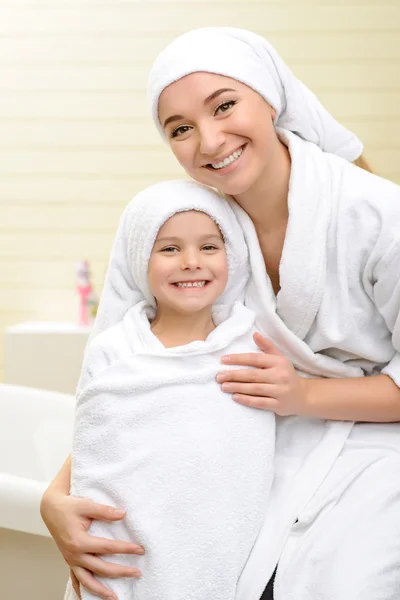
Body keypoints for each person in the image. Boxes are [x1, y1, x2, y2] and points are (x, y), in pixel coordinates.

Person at [41, 28, 400, 600]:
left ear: (273, 97)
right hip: (243, 438)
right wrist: (55, 497)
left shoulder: (377, 214)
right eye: (180, 129)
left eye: (225, 105)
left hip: (376, 441)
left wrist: (303, 396)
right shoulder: (189, 221)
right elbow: (126, 375)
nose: (208, 141)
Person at [65, 179, 276, 600]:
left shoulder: (251, 343)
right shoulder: (115, 350)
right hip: (128, 550)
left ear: (232, 256)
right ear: (142, 258)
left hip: (219, 544)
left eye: (209, 247)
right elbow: (93, 458)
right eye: (170, 248)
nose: (191, 262)